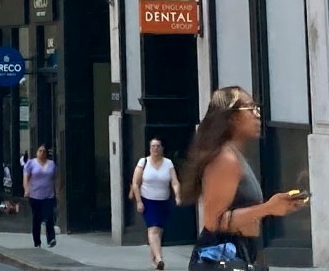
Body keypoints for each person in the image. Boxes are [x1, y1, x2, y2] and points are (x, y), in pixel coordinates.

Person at [179, 87, 307, 268]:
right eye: (251, 108)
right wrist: (268, 208)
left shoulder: (235, 155)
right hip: (225, 255)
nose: (257, 115)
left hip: (245, 251)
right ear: (232, 118)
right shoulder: (225, 159)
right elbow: (213, 222)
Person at [128, 138, 178, 271]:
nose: (155, 148)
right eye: (153, 146)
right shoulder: (143, 162)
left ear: (162, 148)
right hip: (147, 200)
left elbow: (174, 182)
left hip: (163, 201)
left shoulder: (168, 163)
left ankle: (154, 261)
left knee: (158, 231)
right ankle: (160, 258)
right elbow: (135, 183)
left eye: (157, 146)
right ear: (149, 149)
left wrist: (177, 195)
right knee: (153, 230)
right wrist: (139, 201)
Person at [21, 146, 60, 248]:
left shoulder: (51, 164)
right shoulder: (31, 163)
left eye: (44, 151)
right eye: (40, 151)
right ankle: (37, 241)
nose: (42, 153)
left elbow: (56, 178)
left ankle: (51, 238)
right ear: (36, 152)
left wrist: (58, 191)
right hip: (35, 195)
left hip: (49, 195)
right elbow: (26, 177)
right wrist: (26, 189)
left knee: (49, 217)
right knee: (37, 218)